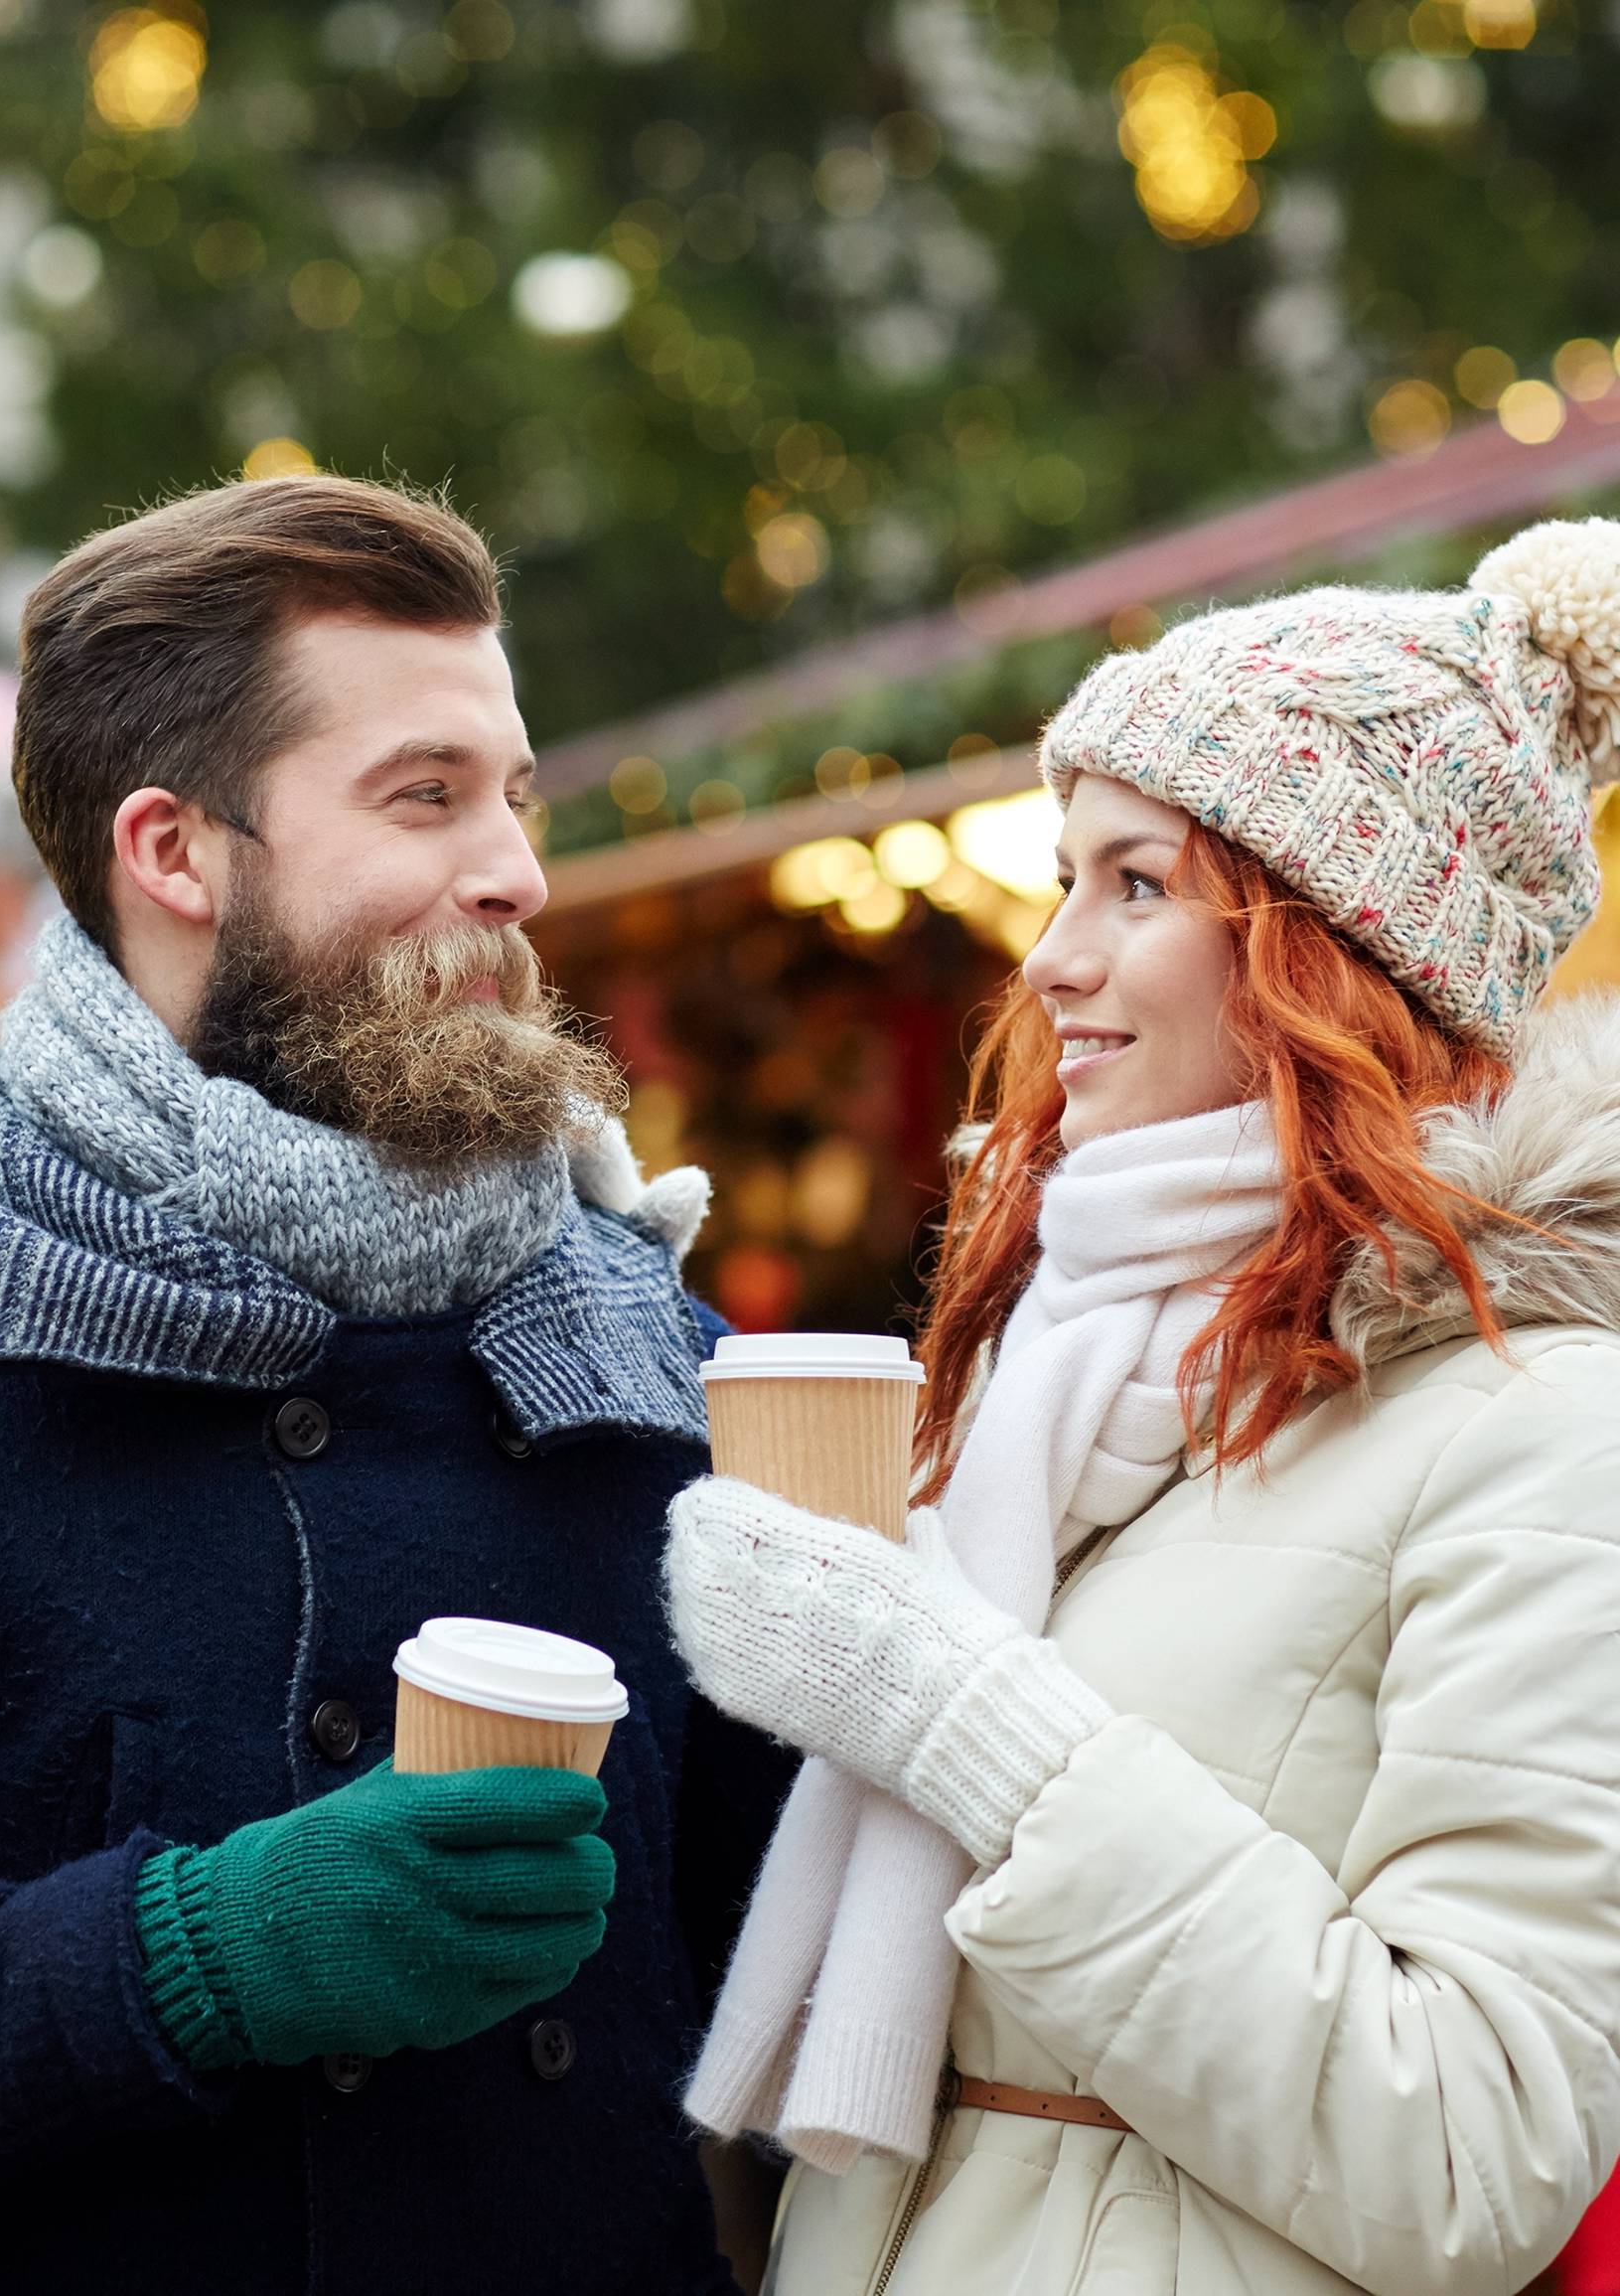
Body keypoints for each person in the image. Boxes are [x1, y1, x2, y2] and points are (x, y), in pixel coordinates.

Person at [0, 475, 792, 2295]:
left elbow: (800, 2016)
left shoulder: (652, 1364)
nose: (518, 871)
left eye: (512, 797)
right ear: (175, 853)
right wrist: (193, 1959)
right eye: (424, 796)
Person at [666, 519, 1620, 2295]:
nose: (1049, 960)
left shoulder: (1548, 1423)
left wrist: (957, 1712)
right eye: (1064, 877)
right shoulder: (1057, 1365)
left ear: (1334, 952)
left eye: (1139, 884)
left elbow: (1473, 2153)